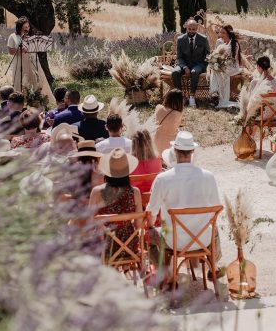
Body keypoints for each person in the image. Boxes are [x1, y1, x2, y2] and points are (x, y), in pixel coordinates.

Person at [146, 130, 222, 273]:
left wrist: (150, 227)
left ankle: (164, 273)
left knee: (149, 233)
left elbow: (152, 211)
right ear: (192, 151)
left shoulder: (163, 178)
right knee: (214, 228)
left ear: (174, 151)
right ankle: (214, 267)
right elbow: (216, 209)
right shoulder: (208, 177)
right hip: (203, 240)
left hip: (173, 241)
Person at [89, 148, 142, 260]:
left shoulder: (97, 192)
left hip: (105, 249)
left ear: (108, 171)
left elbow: (90, 222)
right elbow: (138, 224)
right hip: (129, 248)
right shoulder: (135, 192)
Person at [6, 16, 54, 104]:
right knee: (20, 83)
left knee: (37, 81)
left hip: (33, 62)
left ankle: (38, 102)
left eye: (28, 27)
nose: (27, 29)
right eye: (25, 27)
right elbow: (10, 51)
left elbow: (38, 46)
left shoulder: (32, 37)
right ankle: (20, 103)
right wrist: (20, 51)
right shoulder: (13, 36)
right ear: (20, 27)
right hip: (20, 63)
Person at [172, 19, 210, 107]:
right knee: (174, 73)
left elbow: (208, 54)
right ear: (186, 28)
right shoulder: (180, 39)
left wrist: (208, 63)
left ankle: (192, 96)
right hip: (184, 64)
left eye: (193, 29)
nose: (191, 31)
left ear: (196, 28)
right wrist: (184, 67)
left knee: (194, 72)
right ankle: (181, 96)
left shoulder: (203, 39)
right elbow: (179, 57)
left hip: (199, 64)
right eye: (189, 29)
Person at [209, 25, 242, 109]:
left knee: (217, 70)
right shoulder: (220, 43)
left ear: (228, 34)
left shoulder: (234, 44)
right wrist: (215, 61)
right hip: (223, 65)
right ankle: (215, 94)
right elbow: (216, 55)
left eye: (223, 33)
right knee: (214, 68)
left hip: (232, 67)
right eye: (220, 32)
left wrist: (220, 66)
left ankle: (215, 94)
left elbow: (232, 61)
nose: (221, 34)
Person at [152, 89, 184, 156]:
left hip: (155, 142)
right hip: (169, 145)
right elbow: (175, 128)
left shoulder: (158, 107)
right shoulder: (177, 114)